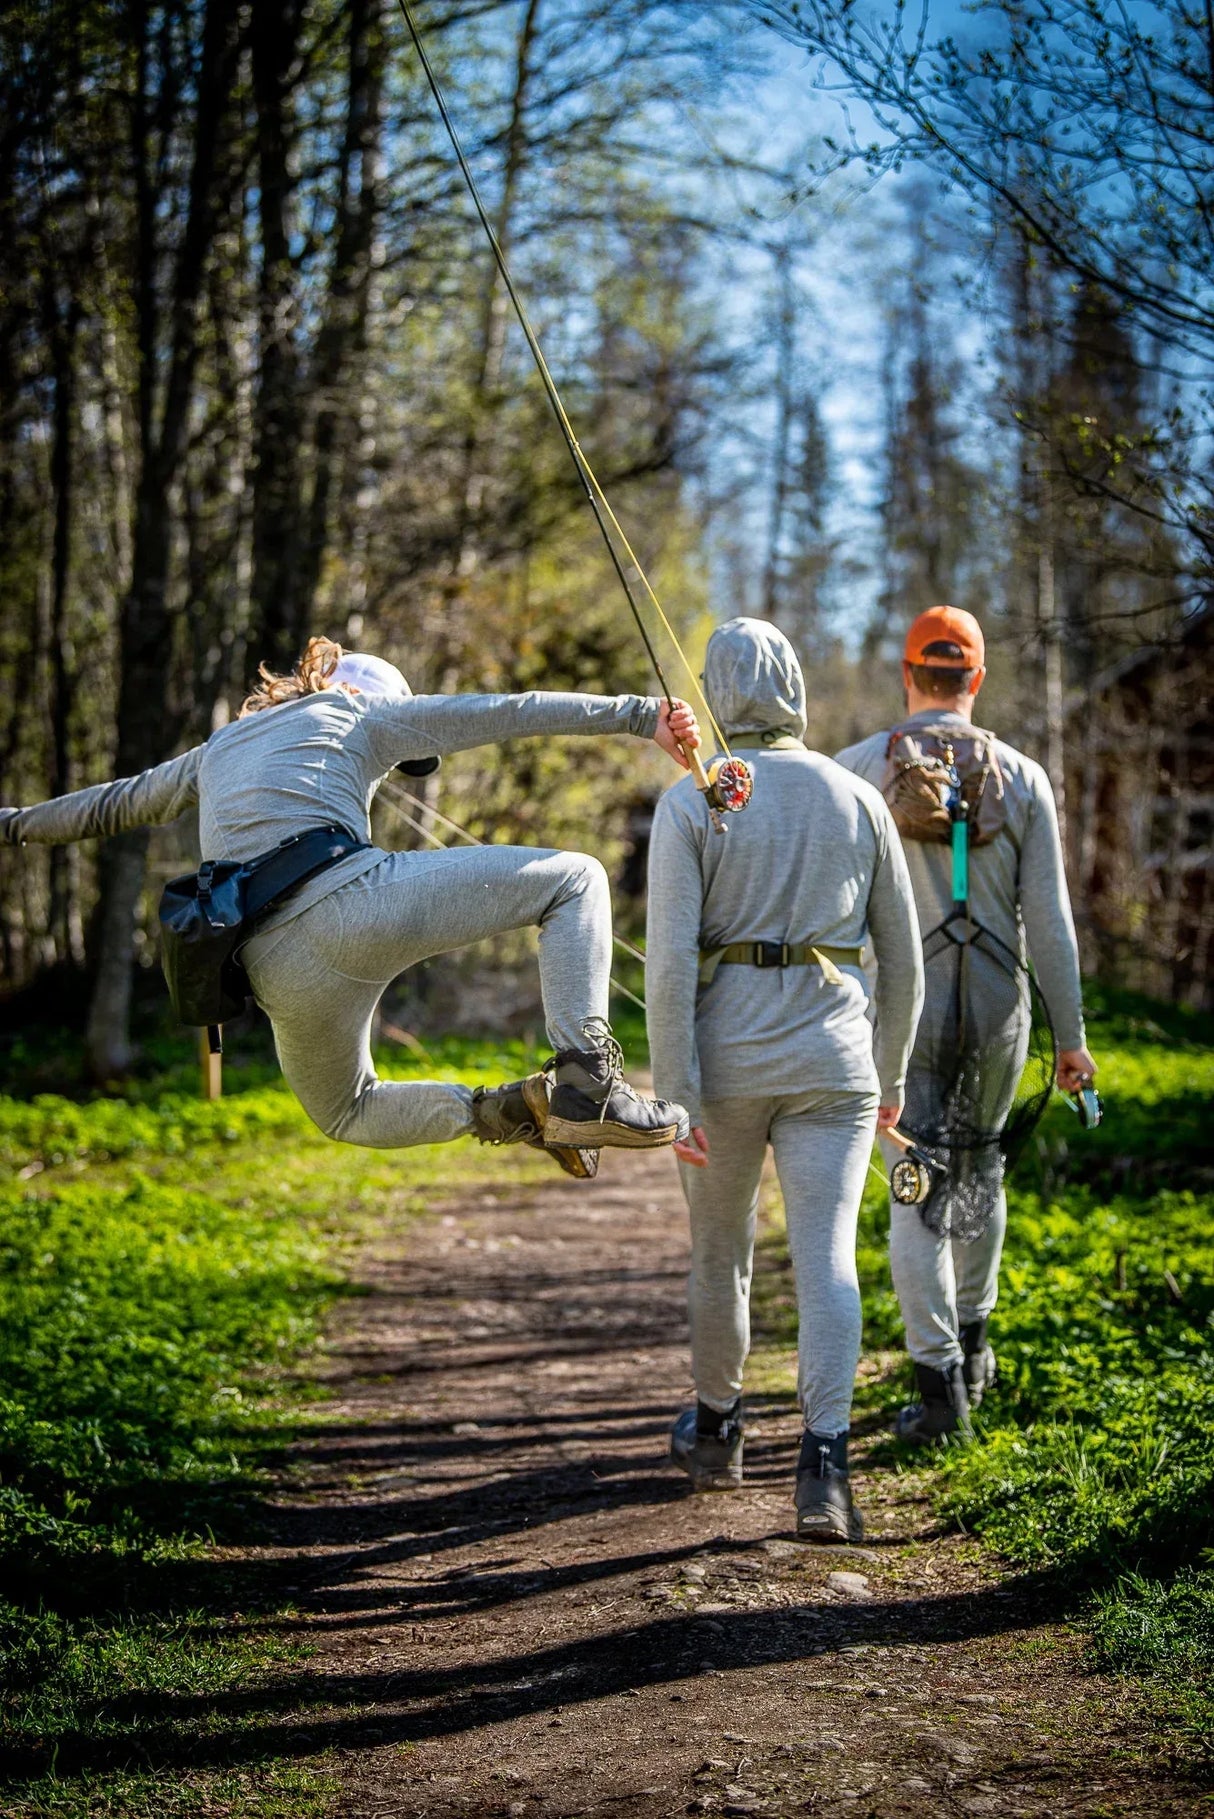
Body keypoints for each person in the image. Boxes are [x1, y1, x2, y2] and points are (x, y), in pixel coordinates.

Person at [1, 636, 699, 1169]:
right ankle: (587, 1083)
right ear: (366, 691)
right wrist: (641, 716)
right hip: (354, 904)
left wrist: (10, 823)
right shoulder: (362, 711)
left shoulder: (215, 749)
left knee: (347, 1111)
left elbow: (108, 804)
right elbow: (506, 713)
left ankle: (506, 1111)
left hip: (271, 969)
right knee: (574, 878)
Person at [646, 617, 923, 1542]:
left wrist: (672, 1086)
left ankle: (720, 1432)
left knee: (719, 1250)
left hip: (723, 1063)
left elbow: (669, 965)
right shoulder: (859, 796)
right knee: (827, 1254)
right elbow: (905, 962)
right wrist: (889, 1077)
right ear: (798, 686)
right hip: (836, 1062)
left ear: (720, 694)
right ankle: (826, 1472)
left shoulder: (694, 800)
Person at [835, 605, 1097, 1441]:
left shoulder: (857, 768)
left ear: (908, 675)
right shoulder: (1024, 777)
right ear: (975, 679)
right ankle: (975, 1353)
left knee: (916, 1187)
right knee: (982, 1170)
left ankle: (938, 1386)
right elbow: (1049, 921)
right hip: (998, 1003)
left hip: (896, 1012)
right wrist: (1071, 1038)